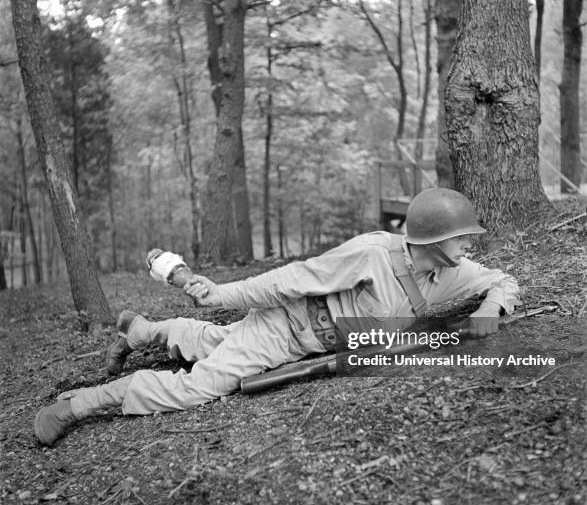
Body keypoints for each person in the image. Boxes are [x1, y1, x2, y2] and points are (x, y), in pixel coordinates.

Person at [34, 188, 520, 445]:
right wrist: (223, 291)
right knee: (201, 385)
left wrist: (492, 308)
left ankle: (142, 330)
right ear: (435, 240)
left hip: (304, 344)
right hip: (283, 328)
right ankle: (82, 404)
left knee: (214, 342)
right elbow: (290, 279)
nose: (469, 243)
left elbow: (503, 281)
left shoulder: (452, 273)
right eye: (462, 236)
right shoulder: (372, 254)